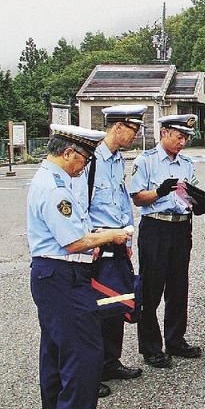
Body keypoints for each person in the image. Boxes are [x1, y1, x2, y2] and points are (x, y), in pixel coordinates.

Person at [28, 124, 131, 409]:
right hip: (64, 276)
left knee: (56, 352)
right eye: (84, 160)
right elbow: (74, 241)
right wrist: (112, 235)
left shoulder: (50, 179)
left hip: (54, 274)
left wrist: (92, 239)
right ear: (69, 153)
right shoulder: (55, 189)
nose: (85, 166)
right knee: (83, 352)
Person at [130, 114, 202, 368]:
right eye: (179, 136)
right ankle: (151, 347)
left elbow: (190, 193)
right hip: (156, 226)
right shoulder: (147, 160)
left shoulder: (186, 162)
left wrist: (199, 202)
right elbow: (137, 197)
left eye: (186, 138)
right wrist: (160, 191)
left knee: (178, 286)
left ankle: (175, 339)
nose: (183, 142)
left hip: (181, 228)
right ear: (164, 133)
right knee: (151, 288)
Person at [88, 106, 147, 389]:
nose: (135, 136)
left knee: (117, 302)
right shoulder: (90, 159)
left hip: (119, 242)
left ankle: (111, 362)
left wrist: (129, 239)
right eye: (133, 130)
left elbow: (122, 202)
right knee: (95, 307)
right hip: (97, 244)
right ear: (118, 127)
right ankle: (92, 370)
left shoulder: (116, 160)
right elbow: (80, 203)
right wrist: (90, 241)